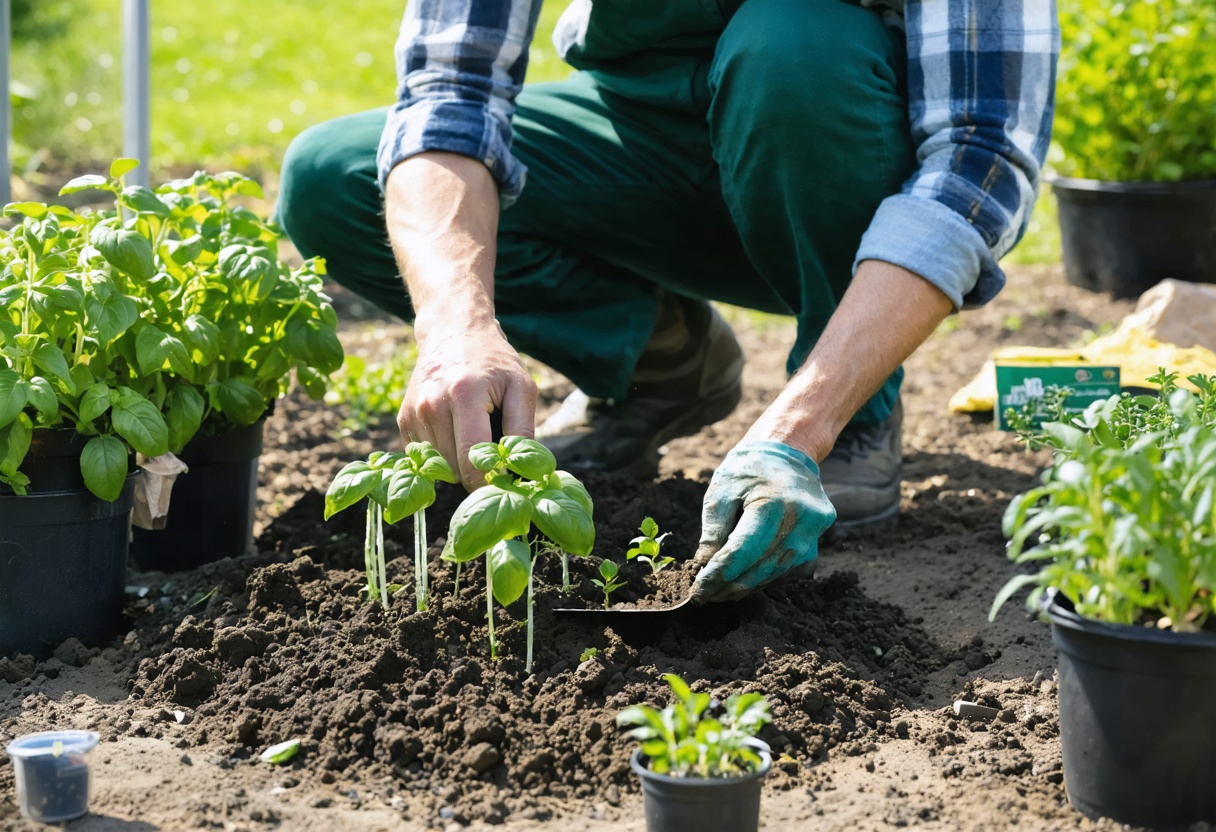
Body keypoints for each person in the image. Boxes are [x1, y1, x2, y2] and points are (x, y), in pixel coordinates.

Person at [276, 0, 1058, 603]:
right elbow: (449, 92)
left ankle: (850, 413)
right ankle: (659, 359)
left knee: (795, 43)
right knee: (332, 179)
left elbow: (980, 157)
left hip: (834, 163)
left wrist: (800, 425)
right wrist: (456, 327)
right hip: (639, 138)